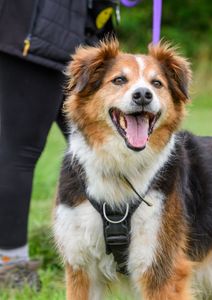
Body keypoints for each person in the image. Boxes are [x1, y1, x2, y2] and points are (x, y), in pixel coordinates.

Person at [0, 0, 116, 290]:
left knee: (108, 150)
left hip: (86, 35)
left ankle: (128, 253)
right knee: (20, 153)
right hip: (38, 28)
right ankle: (9, 266)